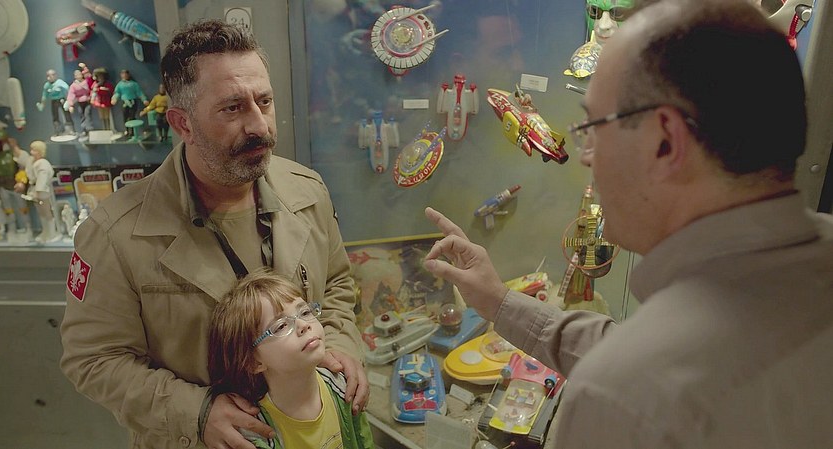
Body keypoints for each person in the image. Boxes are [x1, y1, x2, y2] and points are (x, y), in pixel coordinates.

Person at [422, 1, 833, 448]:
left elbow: (641, 368)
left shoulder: (619, 400)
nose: (585, 155)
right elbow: (644, 349)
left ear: (664, 142)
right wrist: (499, 302)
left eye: (594, 127)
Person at [60, 19, 368, 449]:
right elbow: (93, 359)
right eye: (232, 108)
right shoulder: (115, 234)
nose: (259, 126)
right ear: (182, 124)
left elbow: (335, 284)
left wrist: (338, 344)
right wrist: (195, 412)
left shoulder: (307, 191)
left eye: (264, 101)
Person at [208, 268, 374, 449]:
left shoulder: (343, 386)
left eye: (305, 312)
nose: (303, 325)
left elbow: (364, 441)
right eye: (280, 326)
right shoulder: (254, 433)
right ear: (254, 362)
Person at [37, 69, 75, 137]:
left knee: (66, 114)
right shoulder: (47, 85)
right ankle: (57, 130)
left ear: (54, 75)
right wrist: (42, 104)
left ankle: (70, 130)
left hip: (62, 100)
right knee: (55, 116)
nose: (49, 78)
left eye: (50, 75)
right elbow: (44, 95)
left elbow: (68, 91)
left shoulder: (60, 83)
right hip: (54, 101)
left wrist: (69, 102)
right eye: (47, 76)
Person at [112, 69, 149, 139]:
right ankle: (127, 130)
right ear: (121, 75)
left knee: (132, 116)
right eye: (123, 74)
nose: (124, 75)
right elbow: (117, 92)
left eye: (126, 74)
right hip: (124, 102)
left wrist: (144, 99)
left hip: (133, 102)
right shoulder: (120, 84)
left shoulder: (134, 84)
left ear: (128, 75)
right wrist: (114, 98)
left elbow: (139, 92)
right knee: (125, 117)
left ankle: (132, 131)